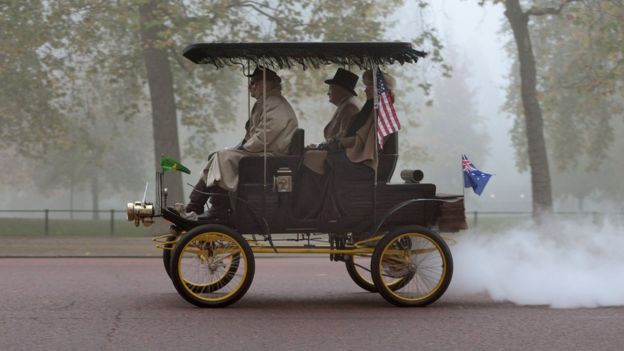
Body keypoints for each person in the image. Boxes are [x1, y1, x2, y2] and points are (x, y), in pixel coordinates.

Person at [184, 67, 298, 219]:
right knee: (218, 157)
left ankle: (218, 209)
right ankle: (194, 206)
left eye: (254, 83)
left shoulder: (274, 103)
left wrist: (244, 148)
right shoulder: (269, 102)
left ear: (267, 84)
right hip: (264, 154)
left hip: (270, 158)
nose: (250, 87)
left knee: (223, 158)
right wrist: (241, 148)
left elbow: (265, 136)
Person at [307, 68, 360, 149]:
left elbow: (341, 139)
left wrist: (320, 147)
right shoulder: (346, 105)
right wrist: (319, 146)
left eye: (331, 88)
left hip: (341, 156)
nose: (328, 93)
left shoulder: (350, 107)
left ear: (341, 90)